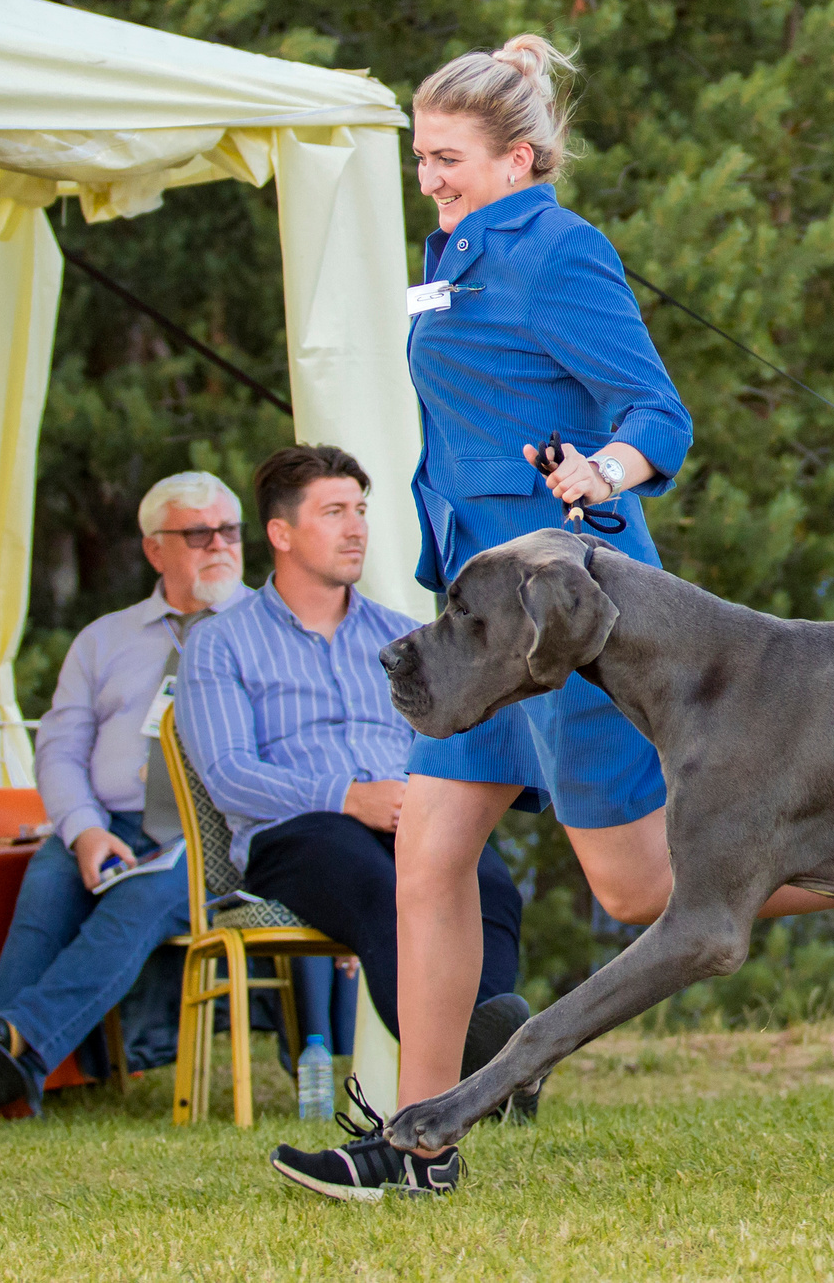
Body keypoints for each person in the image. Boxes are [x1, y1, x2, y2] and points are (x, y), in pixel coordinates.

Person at [282, 34, 834, 1203]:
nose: (428, 177)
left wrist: (600, 473)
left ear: (519, 157)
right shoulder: (458, 250)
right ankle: (419, 1142)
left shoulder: (560, 252)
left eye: (448, 157)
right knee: (427, 862)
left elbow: (656, 412)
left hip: (571, 623)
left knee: (638, 890)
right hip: (478, 621)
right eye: (420, 158)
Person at [190, 446, 527, 1160]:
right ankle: (483, 1072)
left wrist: (427, 802)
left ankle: (487, 1058)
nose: (357, 529)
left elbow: (450, 736)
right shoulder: (220, 644)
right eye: (334, 512)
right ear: (281, 534)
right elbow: (228, 775)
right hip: (297, 836)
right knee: (379, 885)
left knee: (484, 876)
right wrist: (347, 797)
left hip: (407, 812)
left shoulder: (400, 635)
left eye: (362, 512)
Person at [0, 471, 251, 1115]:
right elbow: (58, 749)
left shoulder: (267, 631)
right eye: (198, 533)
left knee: (141, 899)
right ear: (154, 549)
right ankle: (16, 1079)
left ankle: (11, 1049)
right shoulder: (104, 639)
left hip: (211, 832)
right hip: (108, 818)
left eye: (229, 530)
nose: (219, 544)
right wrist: (83, 830)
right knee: (47, 886)